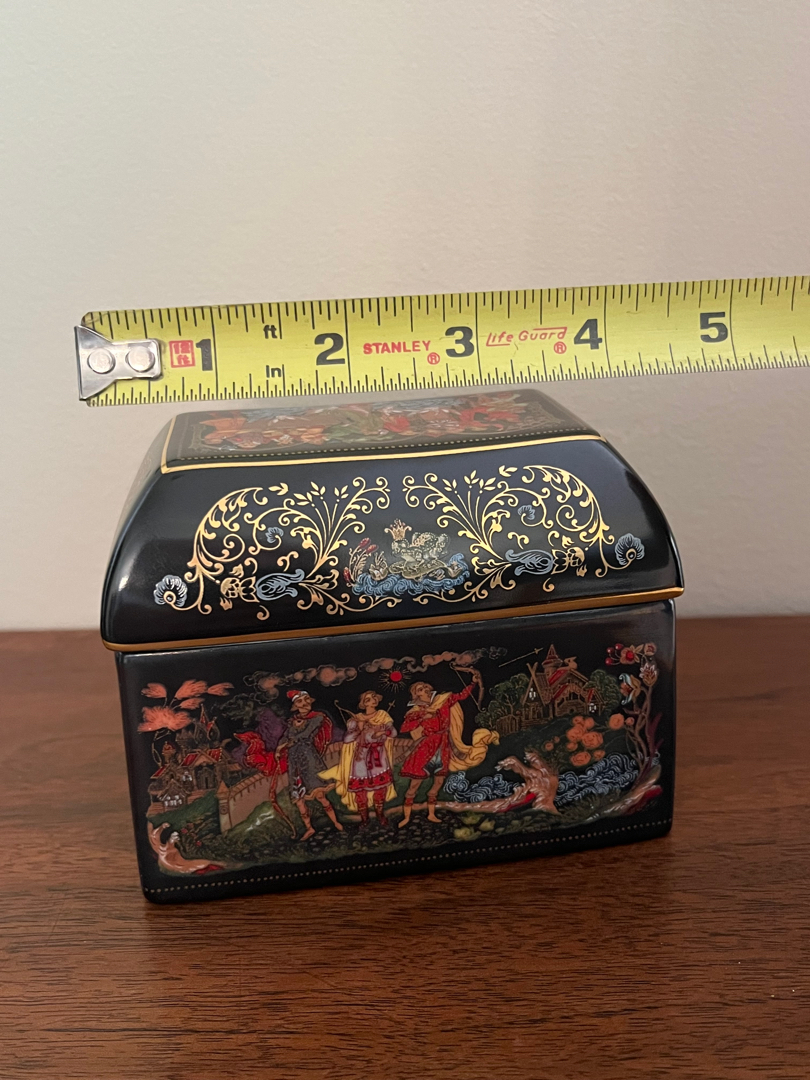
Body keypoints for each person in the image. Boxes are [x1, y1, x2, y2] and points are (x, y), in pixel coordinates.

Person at [398, 669, 498, 828]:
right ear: (416, 695)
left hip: (443, 744)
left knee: (438, 782)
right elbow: (404, 727)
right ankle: (406, 817)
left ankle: (431, 814)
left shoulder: (443, 700)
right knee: (414, 785)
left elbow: (461, 696)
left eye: (424, 687)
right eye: (420, 689)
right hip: (426, 747)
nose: (424, 689)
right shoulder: (416, 711)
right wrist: (423, 717)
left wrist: (473, 682)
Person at [320, 690, 396, 826]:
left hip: (378, 757)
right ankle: (364, 819)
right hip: (361, 759)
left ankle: (380, 815)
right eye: (368, 699)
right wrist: (359, 730)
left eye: (374, 697)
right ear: (363, 703)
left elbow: (393, 732)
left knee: (380, 788)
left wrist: (382, 732)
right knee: (360, 790)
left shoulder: (383, 715)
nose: (373, 700)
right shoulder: (356, 719)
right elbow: (347, 739)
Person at [277, 690, 344, 841]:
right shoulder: (292, 722)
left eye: (306, 699)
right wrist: (278, 749)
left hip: (309, 760)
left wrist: (286, 744)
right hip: (294, 762)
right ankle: (309, 828)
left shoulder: (317, 718)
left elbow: (305, 735)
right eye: (300, 701)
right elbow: (285, 738)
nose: (304, 703)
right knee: (299, 800)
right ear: (295, 705)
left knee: (320, 795)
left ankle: (335, 822)